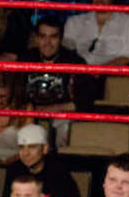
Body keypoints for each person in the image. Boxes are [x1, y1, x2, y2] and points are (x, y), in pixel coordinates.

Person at [18, 16, 97, 146]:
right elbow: (14, 93)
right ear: (36, 38)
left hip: (62, 117)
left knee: (65, 130)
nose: (47, 42)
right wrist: (31, 110)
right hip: (29, 114)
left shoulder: (74, 61)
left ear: (61, 39)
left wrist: (54, 108)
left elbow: (86, 100)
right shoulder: (25, 59)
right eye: (43, 36)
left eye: (53, 37)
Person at [1, 124, 81, 197]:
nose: (26, 153)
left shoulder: (58, 170)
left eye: (32, 147)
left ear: (45, 148)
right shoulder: (14, 168)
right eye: (22, 147)